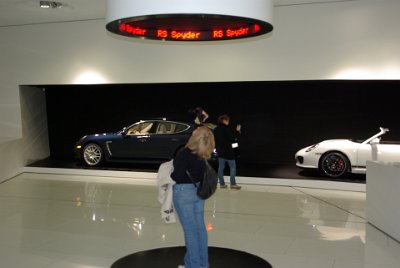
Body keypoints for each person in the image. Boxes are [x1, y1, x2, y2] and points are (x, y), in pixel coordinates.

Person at [171, 126, 215, 268]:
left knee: (190, 232)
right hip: (198, 192)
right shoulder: (204, 154)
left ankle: (193, 265)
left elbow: (176, 176)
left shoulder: (184, 153)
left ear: (195, 137)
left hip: (183, 193)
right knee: (200, 229)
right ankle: (201, 264)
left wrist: (170, 171)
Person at [213, 114, 242, 190]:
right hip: (228, 151)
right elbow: (233, 138)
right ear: (224, 120)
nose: (228, 122)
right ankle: (233, 184)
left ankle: (222, 184)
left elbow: (214, 140)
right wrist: (237, 131)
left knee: (220, 168)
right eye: (227, 120)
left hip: (220, 151)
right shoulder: (226, 129)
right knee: (233, 167)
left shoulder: (215, 129)